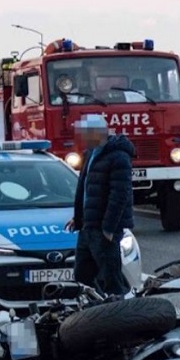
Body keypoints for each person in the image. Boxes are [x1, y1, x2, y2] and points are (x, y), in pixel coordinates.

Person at [65, 115, 135, 296]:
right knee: (82, 275)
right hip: (88, 227)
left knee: (110, 277)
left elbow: (120, 195)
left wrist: (109, 228)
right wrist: (78, 217)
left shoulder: (118, 157)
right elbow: (86, 190)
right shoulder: (90, 154)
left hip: (103, 229)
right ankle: (92, 310)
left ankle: (117, 312)